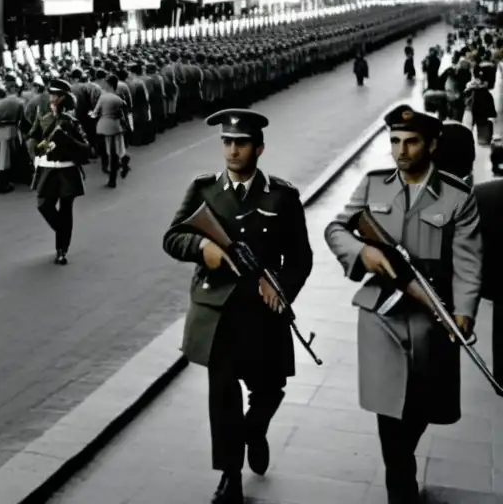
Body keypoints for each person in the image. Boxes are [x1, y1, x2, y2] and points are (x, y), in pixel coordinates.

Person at [324, 104, 482, 504]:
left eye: (411, 142)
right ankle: (401, 485)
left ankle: (401, 460)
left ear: (431, 144)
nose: (401, 151)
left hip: (433, 312)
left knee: (422, 407)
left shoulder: (457, 196)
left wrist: (462, 313)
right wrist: (363, 253)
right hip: (380, 311)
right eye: (394, 141)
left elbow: (467, 263)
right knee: (389, 404)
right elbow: (336, 228)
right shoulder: (373, 185)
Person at [162, 109, 312, 504]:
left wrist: (282, 289)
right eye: (227, 143)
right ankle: (230, 475)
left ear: (259, 148)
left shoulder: (283, 196)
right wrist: (202, 247)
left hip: (263, 312)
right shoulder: (204, 190)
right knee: (223, 395)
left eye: (241, 143)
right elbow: (173, 237)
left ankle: (255, 430)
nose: (232, 150)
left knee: (270, 388)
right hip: (219, 312)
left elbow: (301, 258)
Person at [27, 78, 92, 265]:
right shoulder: (43, 118)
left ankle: (61, 250)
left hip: (66, 171)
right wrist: (34, 150)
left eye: (56, 95)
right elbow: (32, 136)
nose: (52, 98)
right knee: (43, 205)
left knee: (65, 211)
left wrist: (67, 140)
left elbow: (87, 148)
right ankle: (62, 232)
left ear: (65, 98)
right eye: (52, 95)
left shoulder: (71, 122)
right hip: (47, 169)